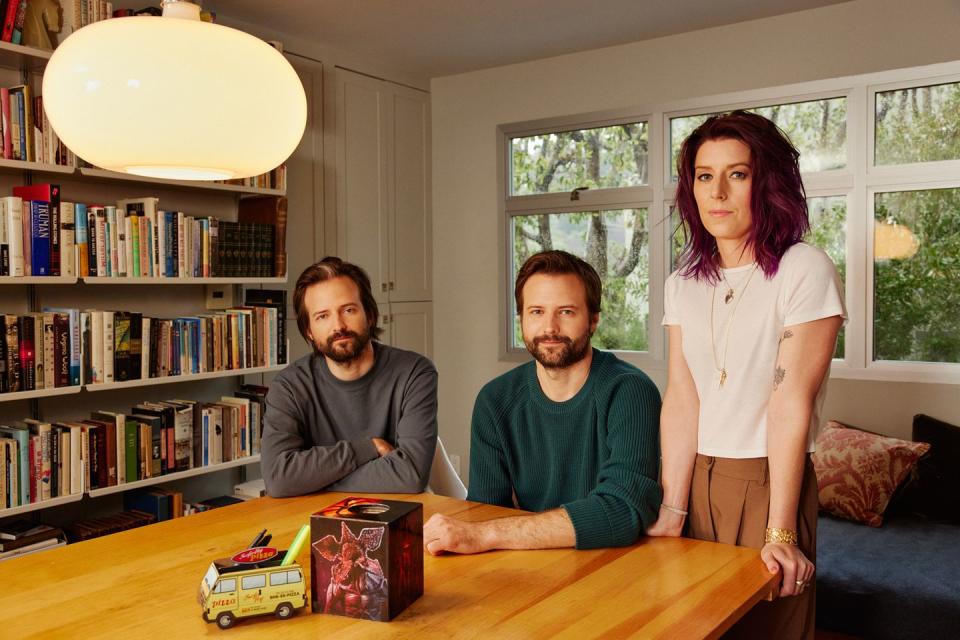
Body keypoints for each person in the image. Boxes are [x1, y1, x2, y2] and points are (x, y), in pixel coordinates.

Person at [647, 111, 845, 639]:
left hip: (769, 479)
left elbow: (789, 404)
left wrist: (780, 528)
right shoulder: (682, 282)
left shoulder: (804, 268)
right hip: (696, 477)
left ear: (767, 183)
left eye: (738, 174)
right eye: (705, 175)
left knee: (768, 630)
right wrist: (673, 505)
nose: (719, 192)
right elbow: (683, 395)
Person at [423, 250, 661, 554]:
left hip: (615, 564)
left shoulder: (631, 392)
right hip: (530, 562)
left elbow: (622, 511)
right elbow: (485, 512)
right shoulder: (495, 400)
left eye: (566, 312)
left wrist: (490, 534)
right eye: (536, 312)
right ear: (522, 318)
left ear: (594, 320)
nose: (550, 328)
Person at [261, 257, 438, 497]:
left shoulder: (414, 373)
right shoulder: (289, 386)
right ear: (308, 331)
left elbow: (411, 475)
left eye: (348, 310)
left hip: (397, 514)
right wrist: (366, 449)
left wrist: (314, 481)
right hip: (315, 518)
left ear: (370, 315)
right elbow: (279, 479)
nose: (338, 326)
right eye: (322, 316)